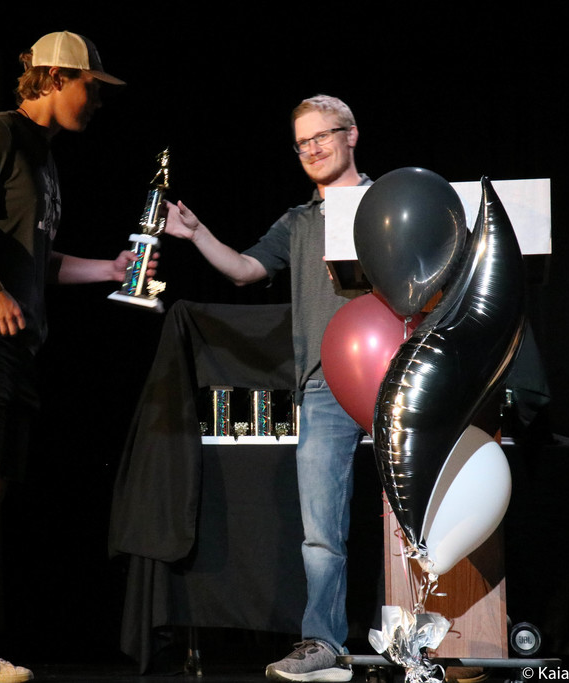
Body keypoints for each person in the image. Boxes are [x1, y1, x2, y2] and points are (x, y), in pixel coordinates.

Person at [0, 31, 150, 683]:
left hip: (12, 341)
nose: (96, 102)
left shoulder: (45, 160)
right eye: (90, 88)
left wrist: (111, 267)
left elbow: (37, 262)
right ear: (53, 78)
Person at [163, 94, 370, 682]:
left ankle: (440, 634)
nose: (311, 149)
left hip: (394, 378)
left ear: (351, 135)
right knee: (320, 531)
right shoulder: (298, 220)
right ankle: (325, 646)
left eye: (321, 136)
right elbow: (246, 269)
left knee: (419, 517)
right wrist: (198, 233)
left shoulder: (389, 205)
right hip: (323, 386)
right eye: (302, 142)